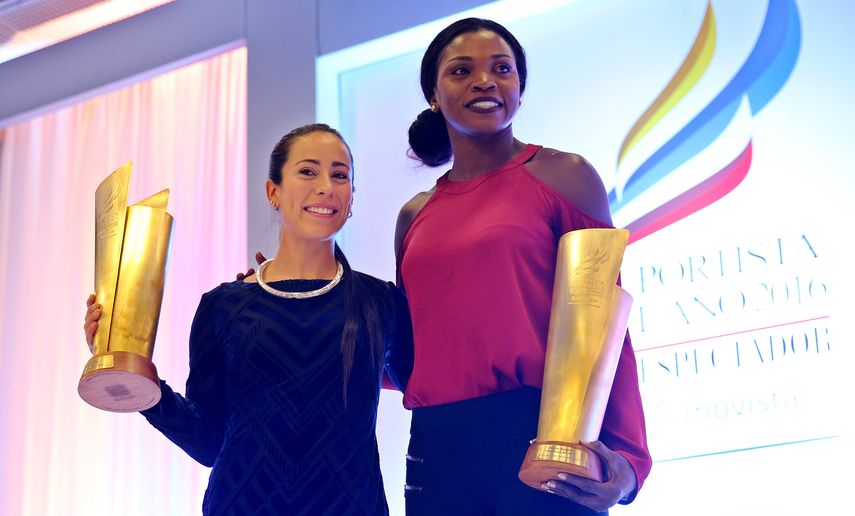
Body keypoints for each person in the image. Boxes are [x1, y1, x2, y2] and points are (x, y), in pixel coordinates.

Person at [83, 124, 413, 516]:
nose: (326, 186)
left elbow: (427, 389)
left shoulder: (381, 302)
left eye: (340, 175)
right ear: (272, 191)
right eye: (308, 171)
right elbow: (208, 441)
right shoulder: (223, 306)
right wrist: (130, 370)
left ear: (351, 197)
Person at [394, 18, 652, 515]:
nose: (484, 81)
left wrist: (628, 460)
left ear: (520, 87)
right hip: (436, 449)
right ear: (433, 93)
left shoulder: (565, 176)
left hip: (544, 437)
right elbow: (408, 347)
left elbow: (603, 330)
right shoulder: (413, 215)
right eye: (462, 71)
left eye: (501, 69)